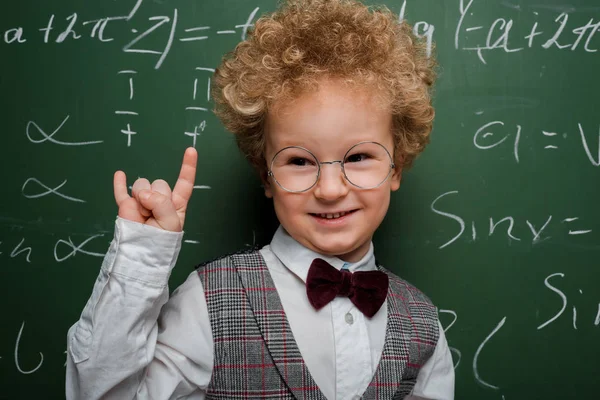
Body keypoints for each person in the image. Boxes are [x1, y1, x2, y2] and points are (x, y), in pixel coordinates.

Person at [65, 0, 454, 398]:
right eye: (300, 161)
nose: (331, 189)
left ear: (397, 167)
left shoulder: (422, 322)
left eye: (358, 157)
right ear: (264, 174)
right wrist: (143, 255)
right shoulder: (209, 300)